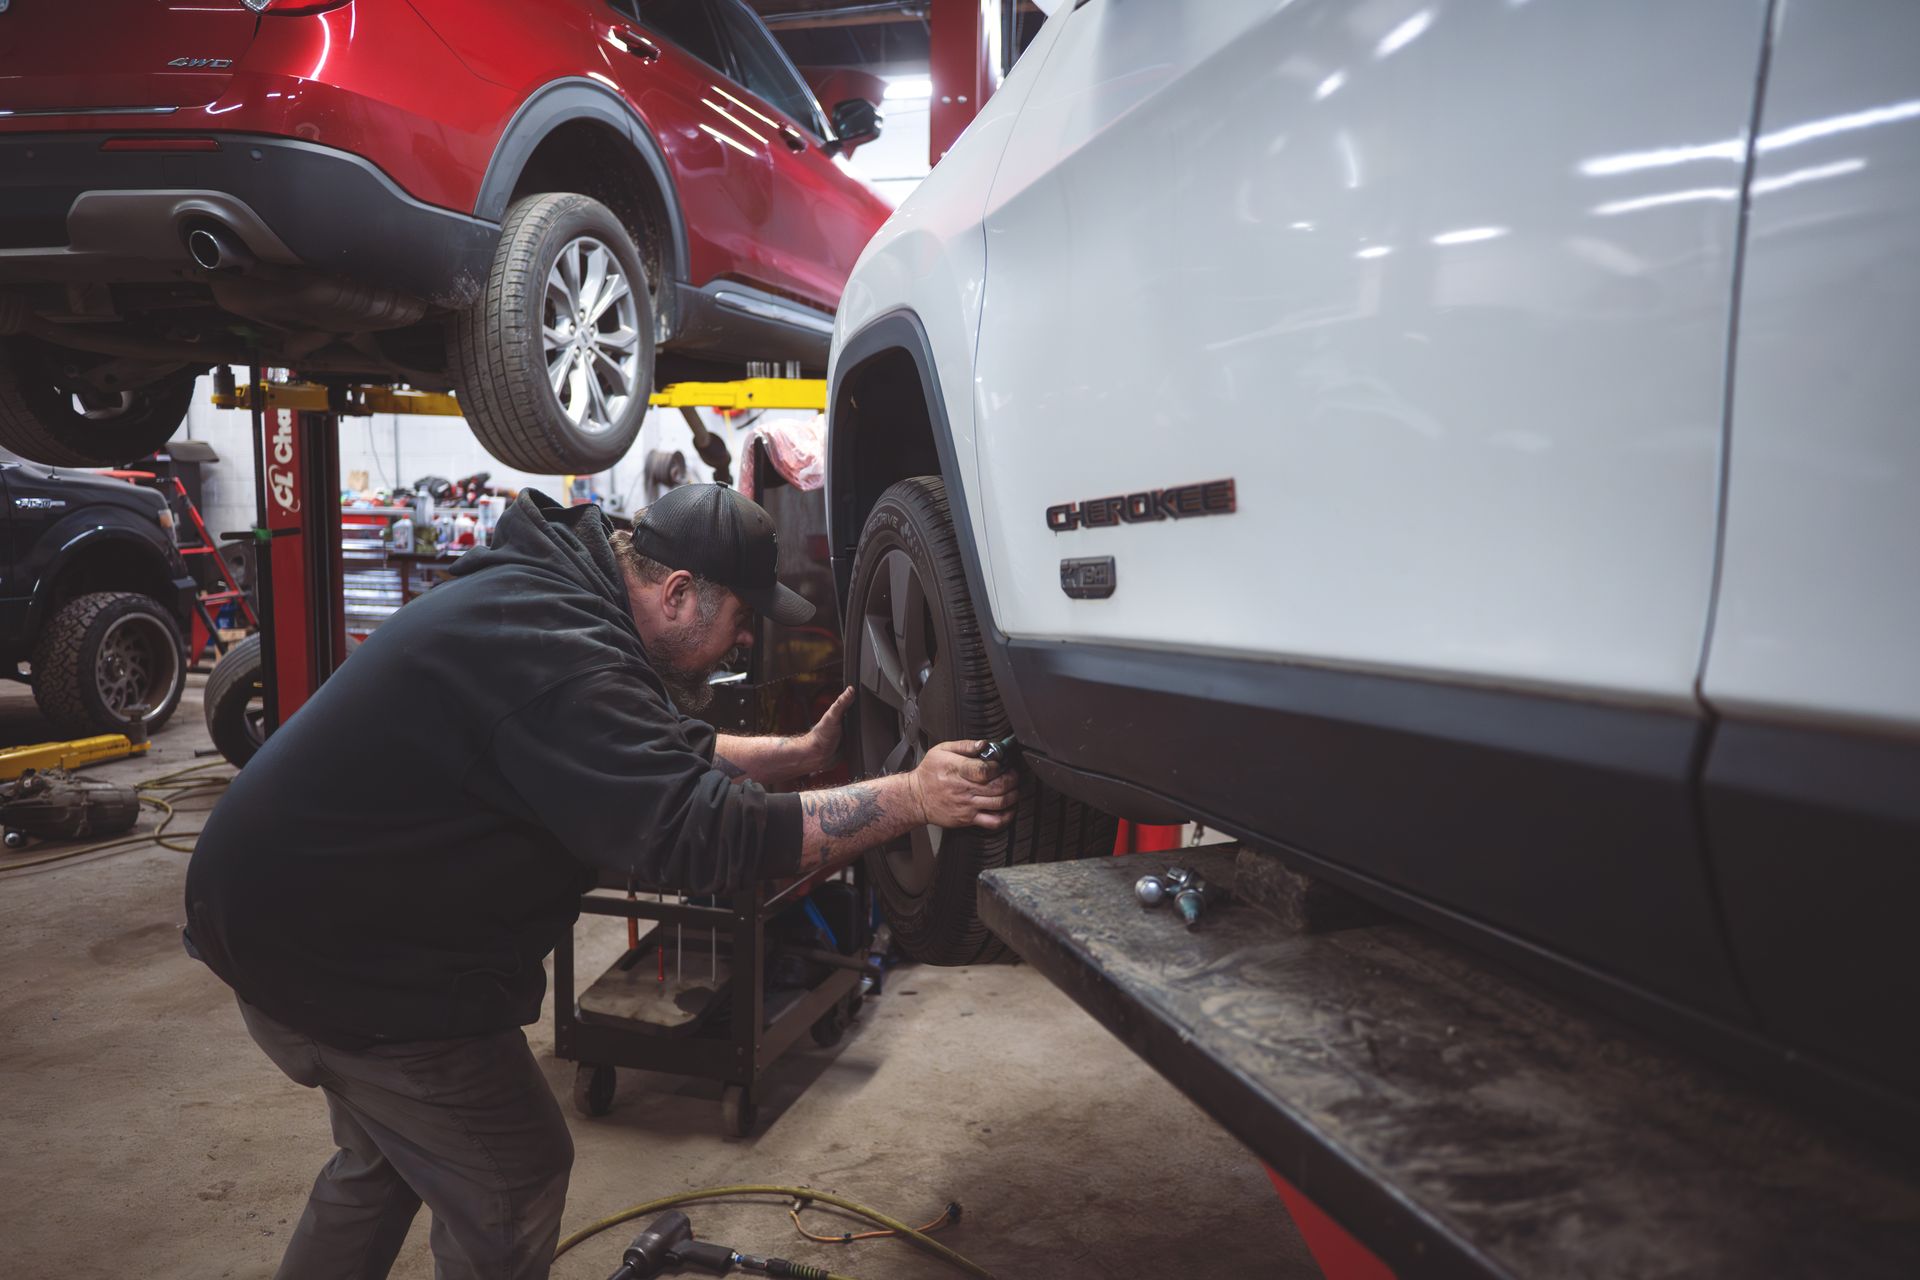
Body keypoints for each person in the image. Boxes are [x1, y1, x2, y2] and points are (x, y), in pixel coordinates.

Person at [182, 483, 1014, 1279]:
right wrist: (912, 797)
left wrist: (785, 760)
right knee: (513, 1174)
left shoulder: (554, 600)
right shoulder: (561, 655)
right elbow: (704, 834)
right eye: (741, 619)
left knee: (383, 1161)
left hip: (274, 918)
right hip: (342, 960)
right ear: (681, 593)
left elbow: (603, 740)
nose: (747, 642)